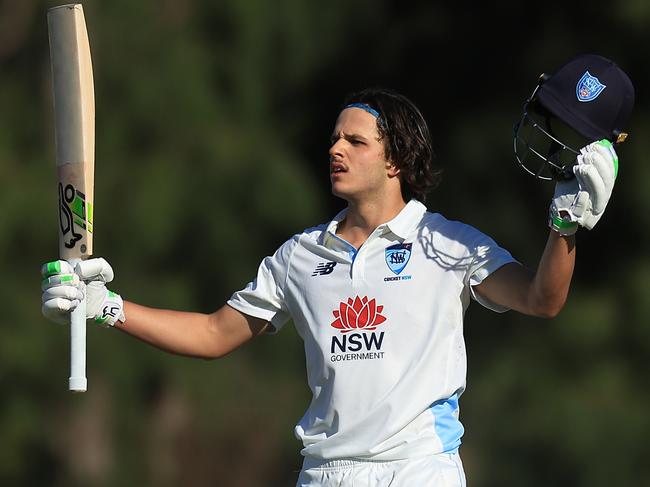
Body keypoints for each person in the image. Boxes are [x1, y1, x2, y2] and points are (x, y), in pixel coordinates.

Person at [41, 87, 618, 486]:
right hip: (325, 471)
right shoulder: (299, 256)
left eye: (356, 141)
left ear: (396, 161)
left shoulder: (449, 243)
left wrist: (564, 228)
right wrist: (106, 307)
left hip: (418, 469)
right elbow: (216, 332)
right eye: (335, 138)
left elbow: (544, 299)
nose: (335, 149)